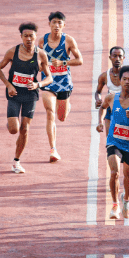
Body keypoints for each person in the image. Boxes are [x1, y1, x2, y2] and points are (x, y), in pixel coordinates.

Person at [0, 22, 53, 173]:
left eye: (31, 36)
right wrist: (8, 85)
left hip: (30, 95)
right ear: (21, 36)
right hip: (14, 94)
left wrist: (38, 84)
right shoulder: (12, 52)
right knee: (14, 129)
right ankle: (11, 123)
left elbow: (49, 78)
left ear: (35, 37)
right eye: (25, 36)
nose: (28, 39)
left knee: (25, 129)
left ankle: (16, 161)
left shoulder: (40, 54)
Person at [96, 65, 129, 219]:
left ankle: (125, 200)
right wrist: (100, 121)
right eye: (124, 79)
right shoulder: (111, 98)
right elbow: (103, 108)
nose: (127, 82)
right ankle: (114, 205)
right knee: (114, 172)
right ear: (120, 81)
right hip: (114, 141)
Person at [39, 11, 83, 162]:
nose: (56, 25)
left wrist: (64, 63)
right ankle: (53, 149)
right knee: (50, 113)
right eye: (54, 22)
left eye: (59, 23)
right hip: (48, 82)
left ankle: (67, 105)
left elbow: (80, 60)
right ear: (49, 24)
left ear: (64, 25)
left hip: (64, 83)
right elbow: (35, 59)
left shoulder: (68, 41)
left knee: (61, 117)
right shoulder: (42, 41)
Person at [94, 46, 129, 136]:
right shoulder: (104, 76)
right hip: (111, 107)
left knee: (125, 136)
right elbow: (98, 92)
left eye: (120, 56)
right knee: (109, 139)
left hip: (126, 107)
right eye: (114, 56)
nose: (117, 59)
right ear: (110, 57)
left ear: (123, 58)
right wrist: (98, 99)